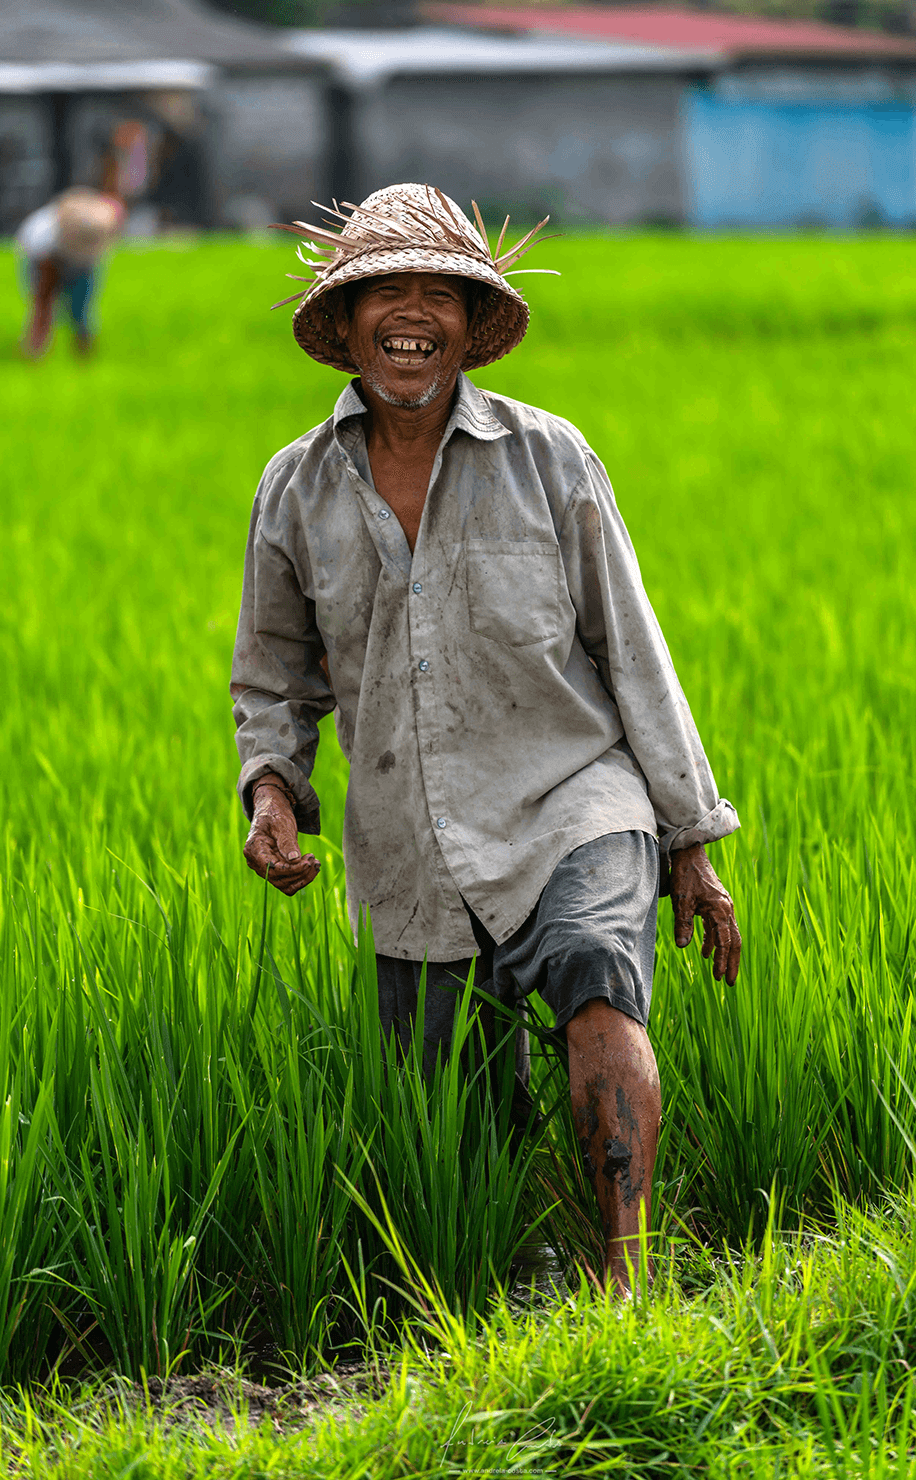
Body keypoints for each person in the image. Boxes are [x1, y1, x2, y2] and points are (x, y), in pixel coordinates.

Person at [231, 184, 742, 1294]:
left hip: (572, 795)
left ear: (471, 321)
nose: (411, 314)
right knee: (454, 1108)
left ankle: (627, 1285)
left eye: (437, 293)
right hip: (407, 834)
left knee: (596, 973)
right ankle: (502, 1289)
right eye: (385, 292)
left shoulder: (550, 460)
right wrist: (271, 788)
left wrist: (691, 840)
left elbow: (632, 647)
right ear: (347, 318)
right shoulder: (296, 488)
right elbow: (273, 675)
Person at [16, 187, 124, 359]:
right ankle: (34, 354)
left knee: (82, 309)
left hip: (80, 263)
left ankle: (84, 357)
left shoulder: (95, 228)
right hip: (46, 260)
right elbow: (45, 293)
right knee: (43, 306)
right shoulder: (41, 238)